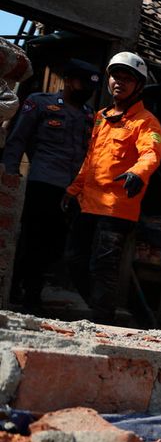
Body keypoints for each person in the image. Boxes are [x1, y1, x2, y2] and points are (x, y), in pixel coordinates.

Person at [64, 52, 161, 324]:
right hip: (88, 203)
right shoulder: (100, 117)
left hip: (117, 208)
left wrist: (137, 172)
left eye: (127, 79)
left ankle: (100, 322)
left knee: (103, 267)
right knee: (73, 259)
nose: (120, 82)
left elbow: (151, 154)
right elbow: (91, 159)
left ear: (138, 85)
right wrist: (73, 190)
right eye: (116, 76)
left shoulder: (146, 122)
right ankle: (101, 310)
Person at [3, 59, 99, 313]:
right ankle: (27, 293)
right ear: (68, 81)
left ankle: (30, 286)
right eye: (82, 83)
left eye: (91, 87)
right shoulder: (40, 102)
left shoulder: (90, 116)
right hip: (43, 182)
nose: (86, 90)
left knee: (56, 245)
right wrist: (10, 173)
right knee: (34, 238)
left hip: (73, 190)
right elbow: (18, 138)